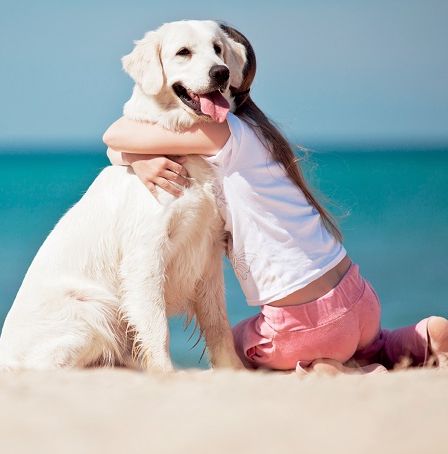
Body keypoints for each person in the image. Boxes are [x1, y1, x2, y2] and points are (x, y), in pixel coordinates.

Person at [102, 23, 447, 373]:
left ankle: (330, 366)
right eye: (188, 54)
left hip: (306, 324)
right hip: (359, 297)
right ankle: (415, 340)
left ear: (234, 73)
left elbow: (115, 135)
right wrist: (137, 157)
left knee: (236, 344)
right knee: (367, 341)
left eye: (218, 53)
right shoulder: (260, 135)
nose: (214, 65)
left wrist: (134, 158)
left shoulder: (216, 132)